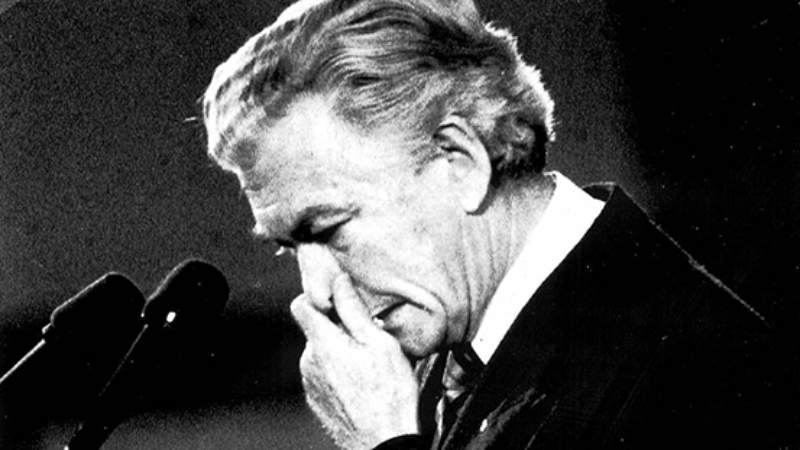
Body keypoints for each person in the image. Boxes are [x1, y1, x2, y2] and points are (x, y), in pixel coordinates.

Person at [201, 0, 792, 448]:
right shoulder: (444, 363)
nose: (316, 290)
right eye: (288, 247)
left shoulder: (692, 372)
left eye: (329, 229)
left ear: (461, 161)